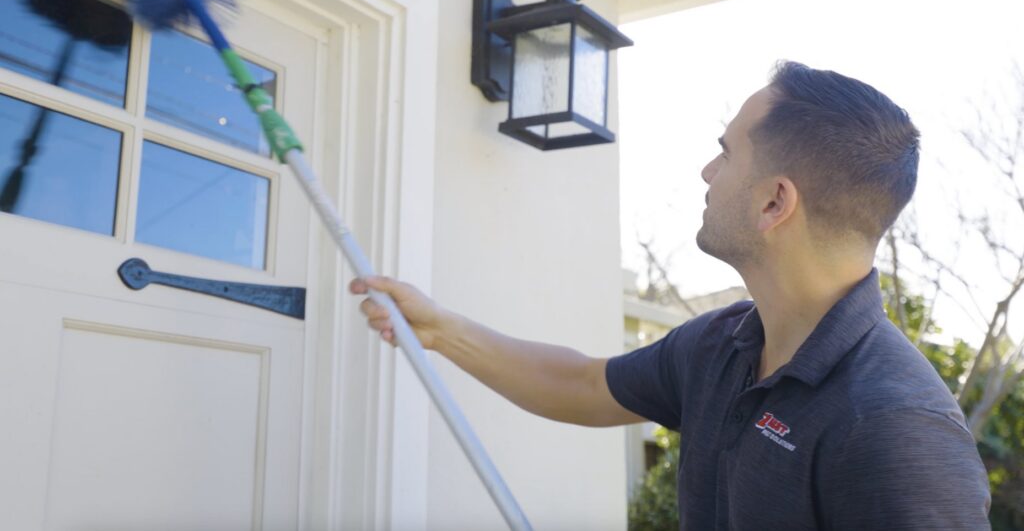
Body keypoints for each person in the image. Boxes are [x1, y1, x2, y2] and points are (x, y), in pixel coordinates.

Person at [350, 61, 991, 529]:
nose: (707, 172)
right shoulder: (721, 345)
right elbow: (581, 383)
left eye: (725, 154)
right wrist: (440, 331)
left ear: (775, 202)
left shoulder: (895, 427)